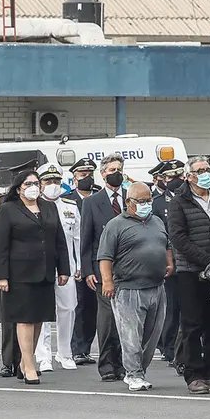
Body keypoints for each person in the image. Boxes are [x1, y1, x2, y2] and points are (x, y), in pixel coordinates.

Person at [0, 167, 71, 385]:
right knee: (24, 319)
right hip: (19, 274)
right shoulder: (8, 209)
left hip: (45, 272)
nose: (33, 188)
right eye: (28, 184)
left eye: (36, 183)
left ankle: (26, 363)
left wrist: (64, 269)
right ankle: (29, 364)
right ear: (18, 189)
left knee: (38, 319)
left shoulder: (49, 208)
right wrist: (1, 275)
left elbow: (59, 241)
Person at [98, 182, 172, 391]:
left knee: (152, 334)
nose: (146, 204)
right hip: (129, 288)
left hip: (157, 286)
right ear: (129, 202)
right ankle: (133, 374)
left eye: (148, 200)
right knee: (131, 334)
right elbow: (105, 256)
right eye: (141, 201)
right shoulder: (116, 225)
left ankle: (140, 370)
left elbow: (166, 245)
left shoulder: (157, 221)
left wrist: (169, 262)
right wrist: (107, 281)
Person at [168, 156, 210, 394]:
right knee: (192, 324)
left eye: (207, 169)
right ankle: (193, 374)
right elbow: (178, 238)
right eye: (199, 170)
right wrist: (208, 261)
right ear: (189, 176)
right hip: (191, 271)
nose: (205, 173)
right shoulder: (179, 201)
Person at [0, 159, 38, 378]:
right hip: (11, 270)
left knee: (32, 318)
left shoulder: (40, 205)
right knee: (10, 319)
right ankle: (9, 361)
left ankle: (26, 362)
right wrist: (0, 271)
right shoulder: (1, 204)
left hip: (34, 270)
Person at [79, 153, 126, 381]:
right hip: (103, 269)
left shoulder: (131, 197)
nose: (116, 173)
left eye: (119, 169)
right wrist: (88, 270)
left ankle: (125, 363)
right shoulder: (91, 202)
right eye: (111, 170)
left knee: (128, 320)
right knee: (107, 321)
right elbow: (86, 239)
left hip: (131, 267)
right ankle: (108, 364)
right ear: (103, 174)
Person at [36, 162, 80, 372]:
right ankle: (43, 355)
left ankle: (65, 352)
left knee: (68, 309)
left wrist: (79, 266)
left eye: (56, 181)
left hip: (67, 268)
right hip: (40, 268)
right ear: (40, 184)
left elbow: (78, 240)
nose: (52, 184)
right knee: (42, 312)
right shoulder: (33, 206)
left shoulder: (70, 208)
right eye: (48, 181)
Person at [61, 156, 100, 366]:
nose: (87, 179)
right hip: (76, 262)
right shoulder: (68, 200)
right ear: (74, 178)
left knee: (93, 307)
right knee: (78, 306)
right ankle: (75, 348)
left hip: (95, 259)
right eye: (83, 175)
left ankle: (85, 347)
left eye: (89, 175)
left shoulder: (99, 197)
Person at [153, 159, 185, 366]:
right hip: (169, 258)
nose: (176, 181)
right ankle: (168, 345)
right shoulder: (157, 202)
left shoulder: (188, 198)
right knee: (171, 306)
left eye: (179, 176)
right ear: (164, 179)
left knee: (187, 306)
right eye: (172, 177)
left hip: (189, 258)